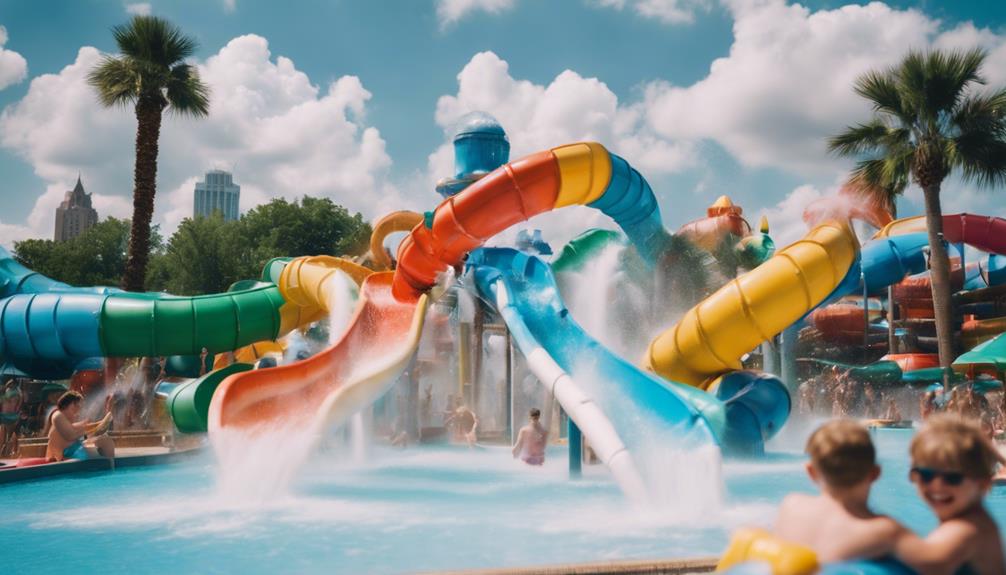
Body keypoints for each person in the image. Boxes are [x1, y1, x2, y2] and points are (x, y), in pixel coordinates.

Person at [773, 419, 904, 563]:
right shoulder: (883, 530)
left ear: (811, 472)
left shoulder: (791, 505)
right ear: (875, 473)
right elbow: (931, 563)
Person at [894, 415, 1006, 575]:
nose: (937, 485)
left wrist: (890, 535)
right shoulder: (964, 517)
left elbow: (930, 563)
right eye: (926, 474)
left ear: (982, 484)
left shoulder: (972, 527)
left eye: (953, 477)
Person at [45, 391, 115, 463]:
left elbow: (78, 428)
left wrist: (102, 422)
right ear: (67, 405)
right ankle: (106, 467)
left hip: (73, 449)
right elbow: (70, 436)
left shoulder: (66, 420)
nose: (77, 411)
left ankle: (111, 470)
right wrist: (95, 430)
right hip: (64, 455)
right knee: (101, 444)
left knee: (106, 440)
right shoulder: (57, 415)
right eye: (75, 407)